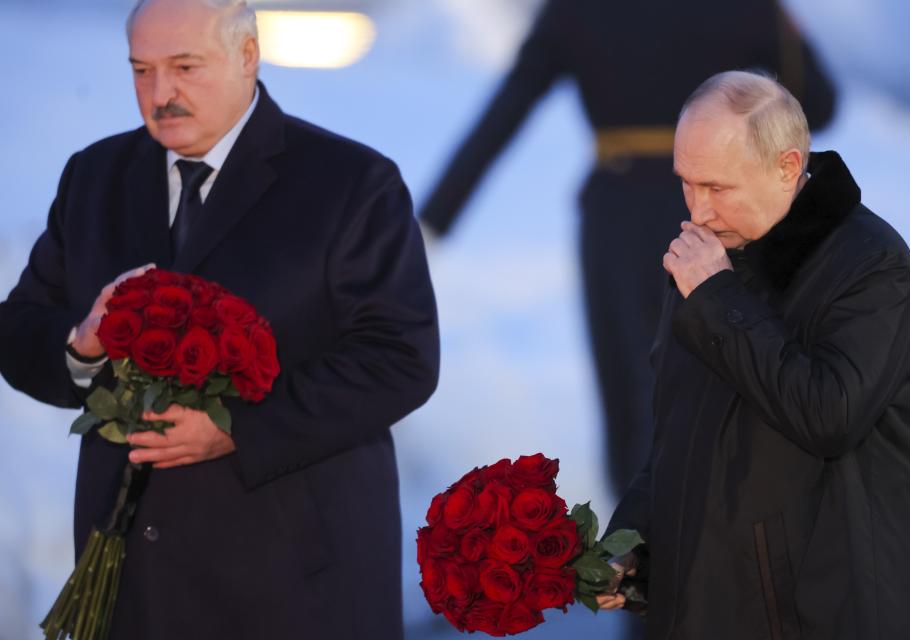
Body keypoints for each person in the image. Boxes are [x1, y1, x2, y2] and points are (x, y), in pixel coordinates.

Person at [0, 0, 439, 638]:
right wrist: (82, 345)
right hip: (129, 580)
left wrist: (239, 429)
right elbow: (18, 331)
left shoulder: (352, 183)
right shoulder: (93, 177)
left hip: (293, 580)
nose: (160, 93)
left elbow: (401, 359)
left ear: (247, 57)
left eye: (184, 66)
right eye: (141, 70)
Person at [418, 0, 836, 503]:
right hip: (722, 210)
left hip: (619, 210)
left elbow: (508, 108)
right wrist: (788, 30)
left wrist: (432, 222)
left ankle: (637, 558)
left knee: (630, 391)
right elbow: (819, 103)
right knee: (723, 377)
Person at [597, 70, 910, 639]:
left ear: (786, 166)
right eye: (686, 183)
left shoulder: (872, 265)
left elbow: (828, 414)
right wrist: (631, 544)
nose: (697, 211)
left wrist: (717, 298)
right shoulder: (705, 265)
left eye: (717, 188)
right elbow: (678, 435)